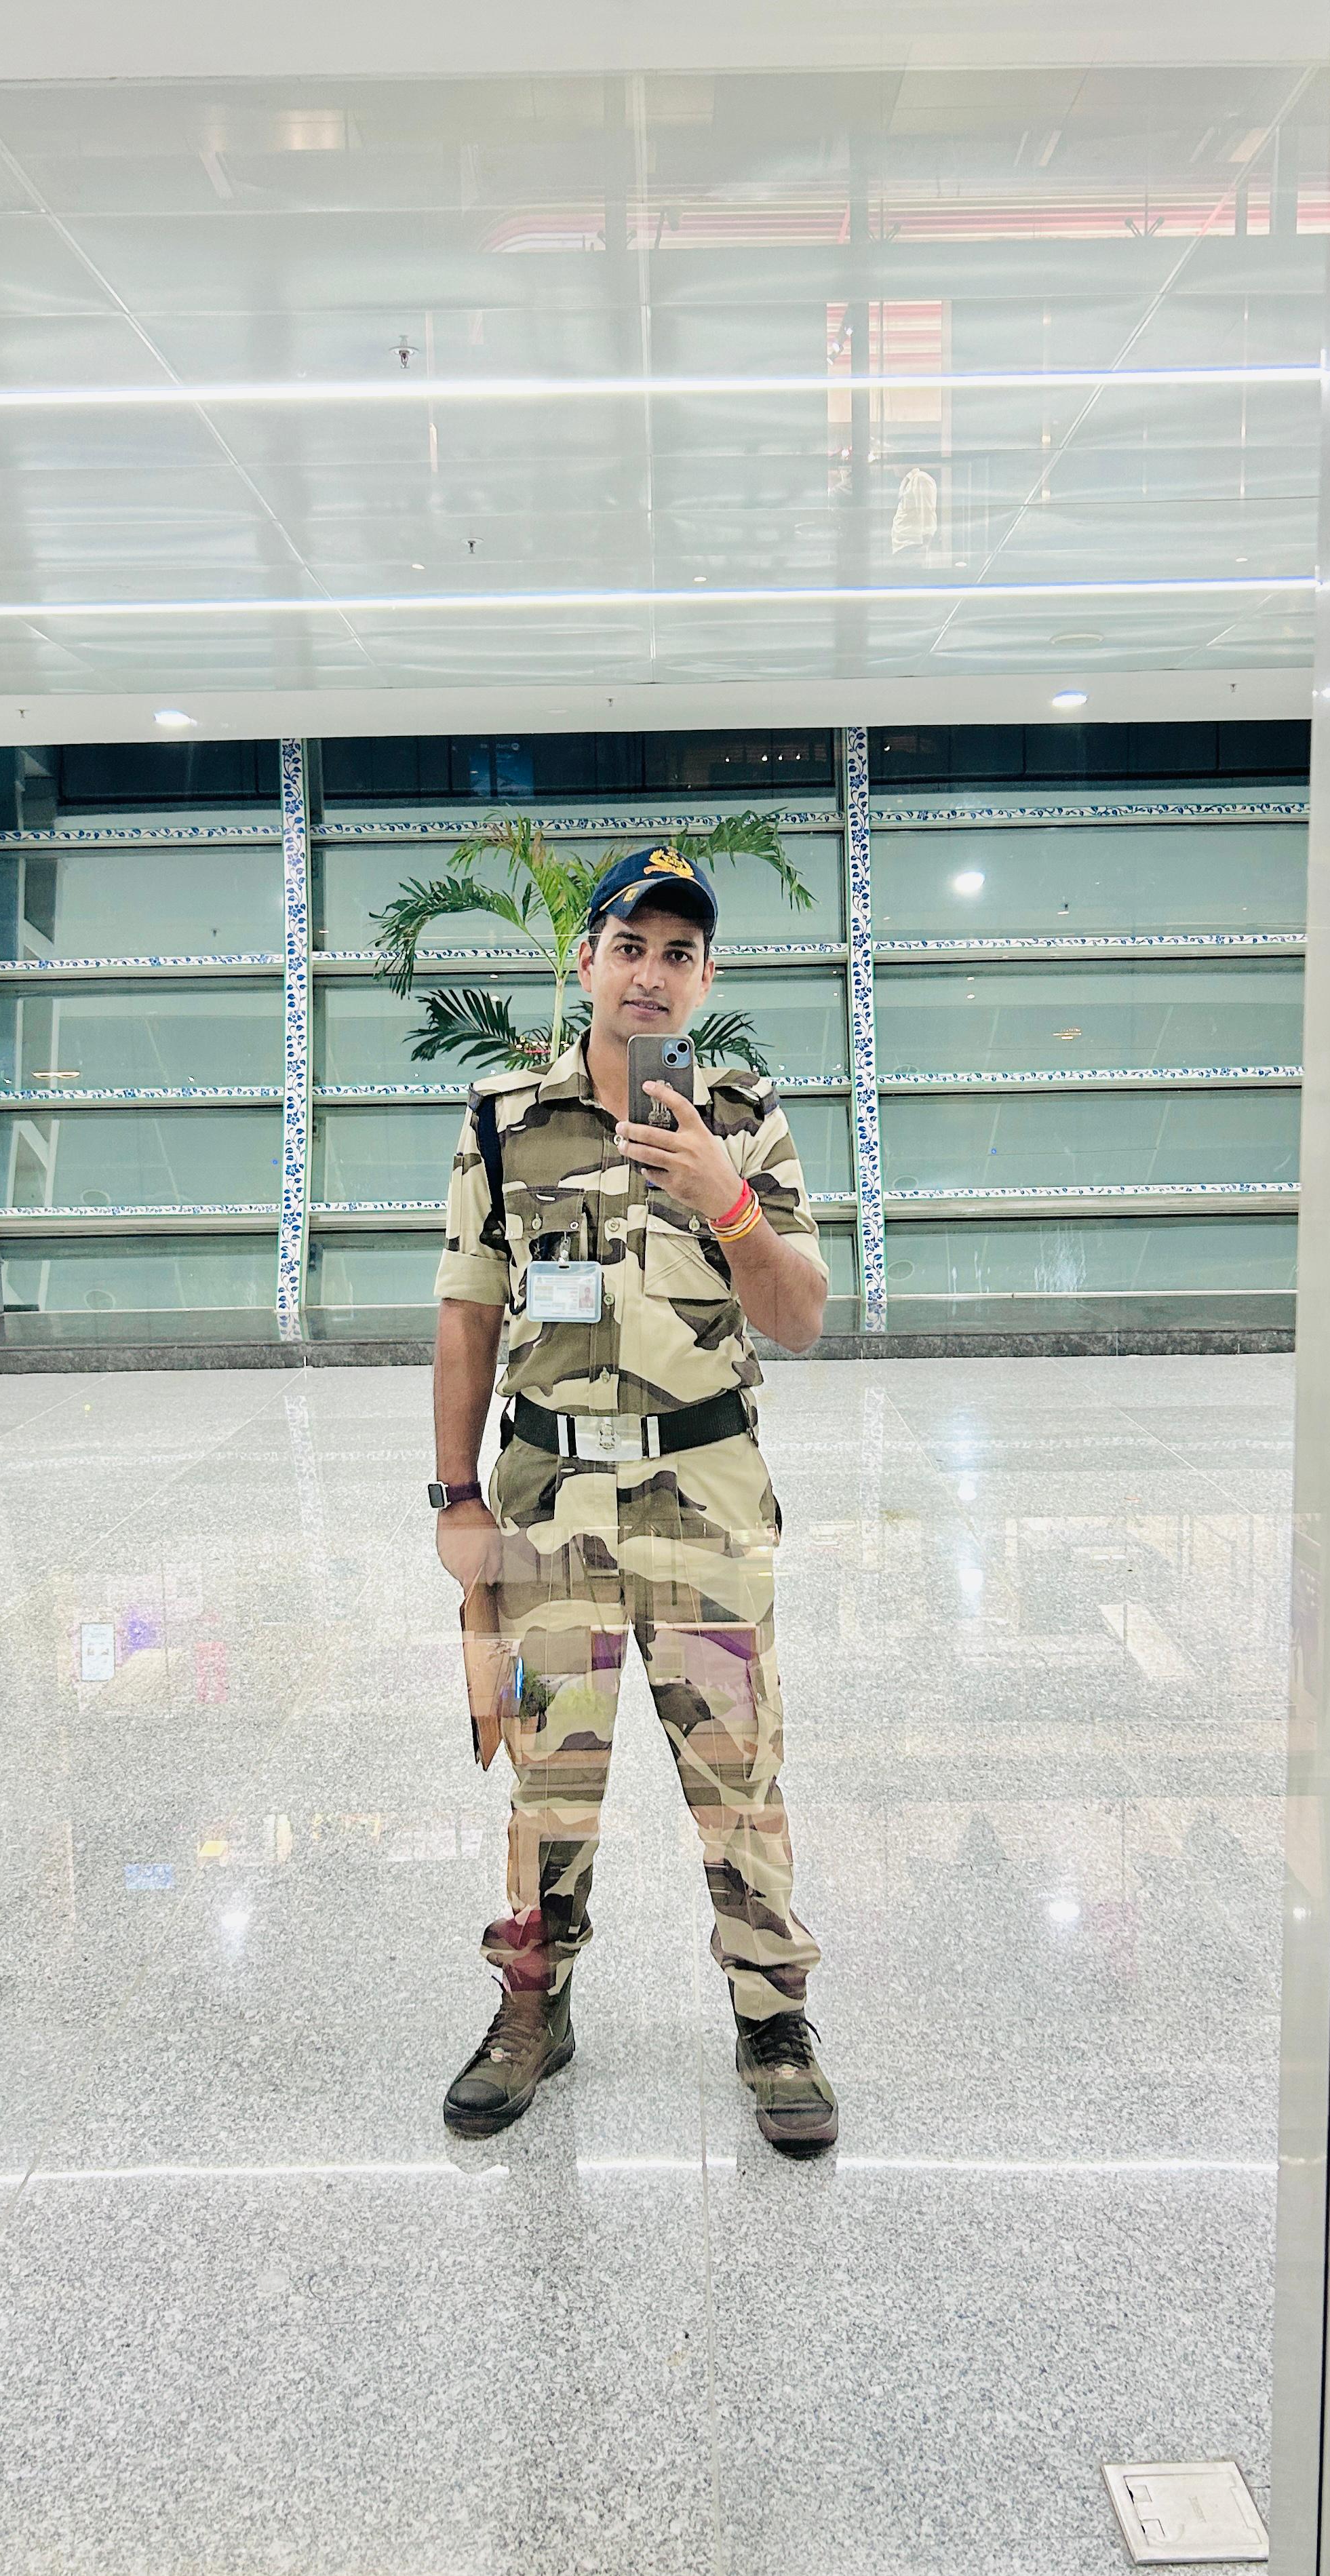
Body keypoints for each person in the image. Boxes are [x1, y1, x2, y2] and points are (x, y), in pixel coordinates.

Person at [427, 843, 837, 2154]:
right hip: (547, 1507)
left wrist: (729, 1202)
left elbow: (802, 1318)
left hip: (703, 1505)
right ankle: (531, 2008)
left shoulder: (745, 1121)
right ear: (589, 961)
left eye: (678, 953)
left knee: (738, 1777)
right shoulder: (506, 1121)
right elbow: (467, 1313)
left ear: (704, 977)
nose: (651, 974)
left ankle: (773, 2021)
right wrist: (454, 1497)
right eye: (630, 947)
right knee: (547, 1779)